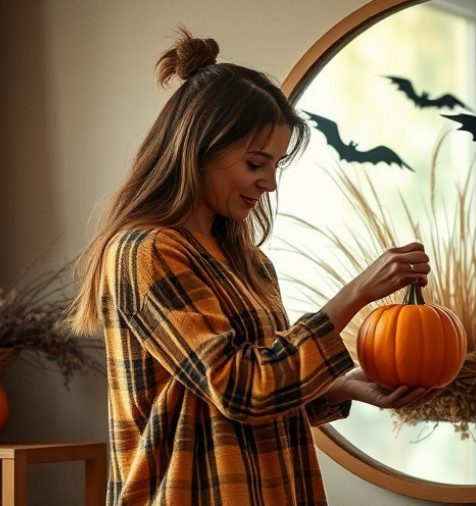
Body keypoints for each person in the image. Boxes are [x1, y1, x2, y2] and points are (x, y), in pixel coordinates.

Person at [67, 27, 437, 505]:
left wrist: (338, 389)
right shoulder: (147, 252)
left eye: (276, 165)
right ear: (199, 146)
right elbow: (239, 390)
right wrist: (356, 294)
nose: (270, 184)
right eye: (256, 163)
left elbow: (237, 409)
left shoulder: (251, 265)